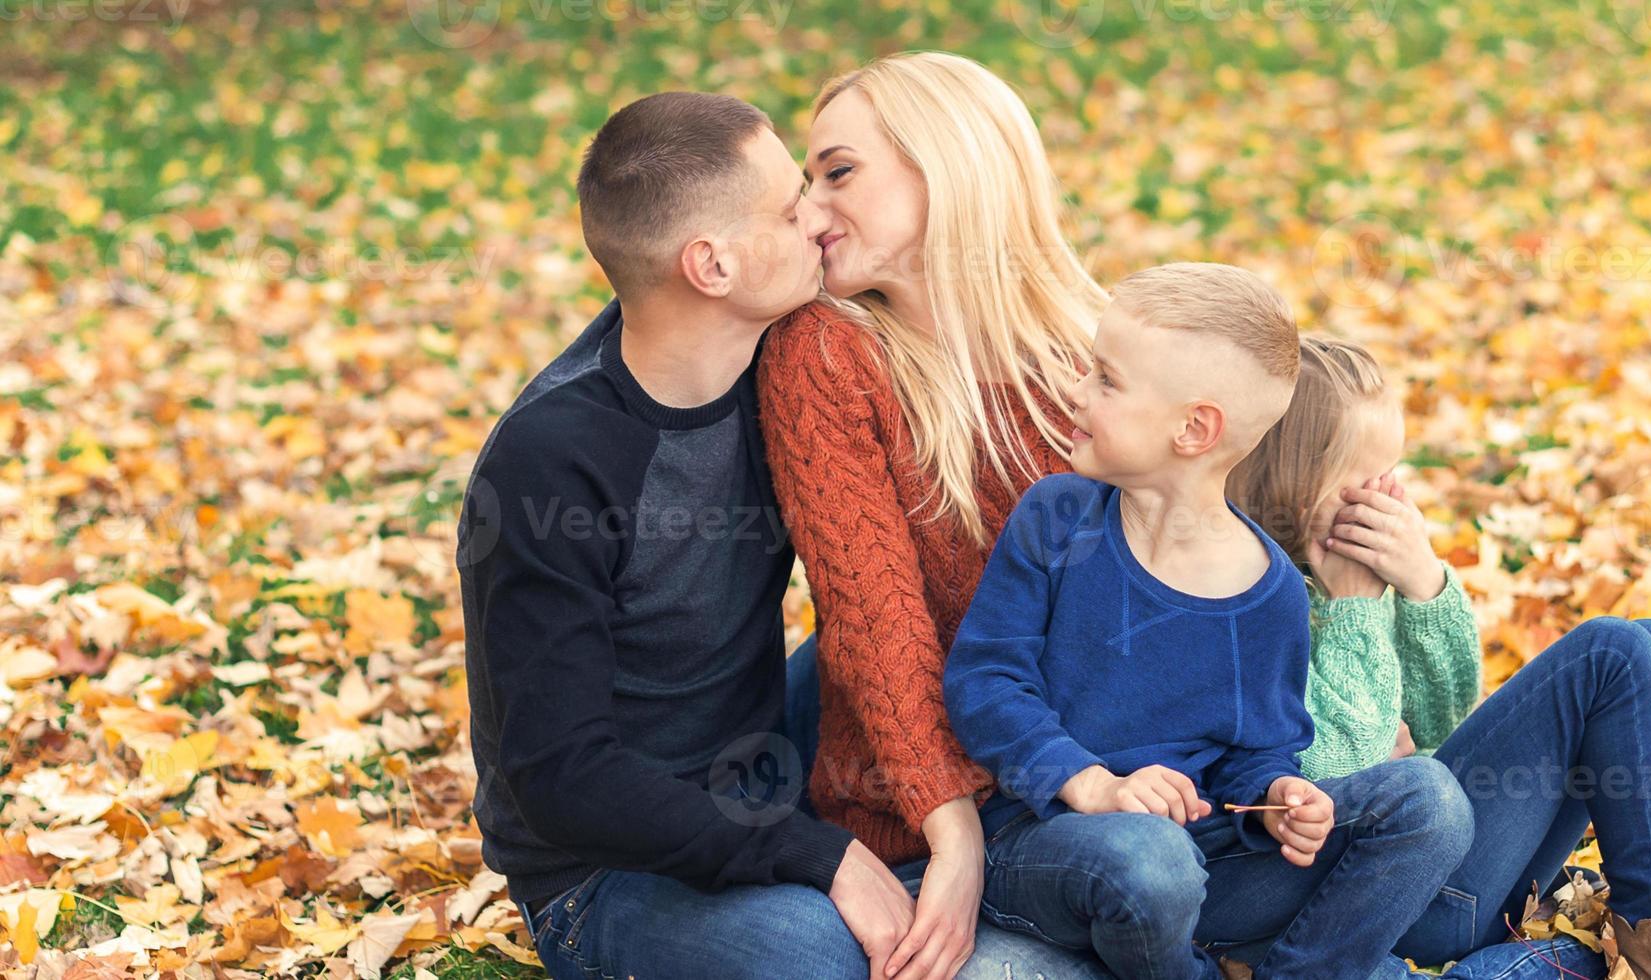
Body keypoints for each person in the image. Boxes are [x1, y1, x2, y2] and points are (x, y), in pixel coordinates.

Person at [457, 92, 916, 979]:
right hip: (602, 868)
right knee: (816, 957)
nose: (820, 218)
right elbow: (562, 778)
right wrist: (819, 856)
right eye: (790, 208)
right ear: (711, 265)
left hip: (754, 758)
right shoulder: (554, 461)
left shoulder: (785, 368)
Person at [943, 263, 1478, 980]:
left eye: (1106, 380)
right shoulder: (1058, 517)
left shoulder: (1273, 594)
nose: (1076, 392)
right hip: (1048, 840)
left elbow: (1255, 755)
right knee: (1149, 859)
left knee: (1431, 801)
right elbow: (985, 679)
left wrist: (1276, 801)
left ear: (1194, 428)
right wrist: (1094, 784)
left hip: (1208, 858)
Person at [1228, 336, 1651, 980]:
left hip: (1459, 858)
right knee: (1611, 654)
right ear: (1291, 487)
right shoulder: (1258, 601)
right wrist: (1355, 615)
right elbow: (1342, 785)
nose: (1390, 498)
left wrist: (1424, 587)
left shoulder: (1343, 570)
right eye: (1365, 484)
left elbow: (1442, 723)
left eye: (1394, 475)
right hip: (1388, 896)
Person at [758, 51, 1112, 980]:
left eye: (838, 171)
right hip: (939, 815)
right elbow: (876, 618)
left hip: (1127, 785)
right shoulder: (827, 352)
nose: (809, 209)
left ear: (947, 162)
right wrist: (951, 837)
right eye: (806, 182)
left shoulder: (1097, 347)